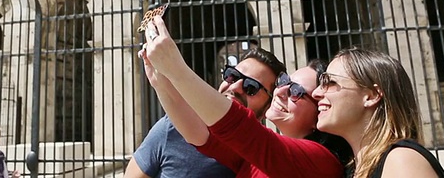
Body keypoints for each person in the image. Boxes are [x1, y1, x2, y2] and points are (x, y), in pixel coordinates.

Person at [140, 15, 348, 177]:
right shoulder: (255, 157)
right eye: (285, 82)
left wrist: (176, 67)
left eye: (296, 91)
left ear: (318, 114)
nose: (282, 91)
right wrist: (161, 82)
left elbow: (240, 128)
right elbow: (201, 137)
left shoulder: (320, 160)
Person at [124, 45, 286, 178]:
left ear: (267, 107)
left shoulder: (264, 156)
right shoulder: (173, 127)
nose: (235, 87)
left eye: (251, 87)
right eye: (232, 76)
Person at [312, 47, 444, 178]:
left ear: (372, 96)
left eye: (330, 82)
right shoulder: (354, 168)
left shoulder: (401, 160)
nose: (315, 93)